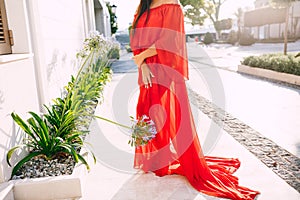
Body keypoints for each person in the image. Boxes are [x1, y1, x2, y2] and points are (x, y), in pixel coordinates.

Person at [130, 0, 260, 199]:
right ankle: (157, 159)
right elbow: (136, 36)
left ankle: (168, 160)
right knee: (145, 112)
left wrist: (142, 57)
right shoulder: (144, 6)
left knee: (164, 113)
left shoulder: (172, 5)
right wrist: (141, 63)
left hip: (163, 68)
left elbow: (169, 40)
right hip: (146, 69)